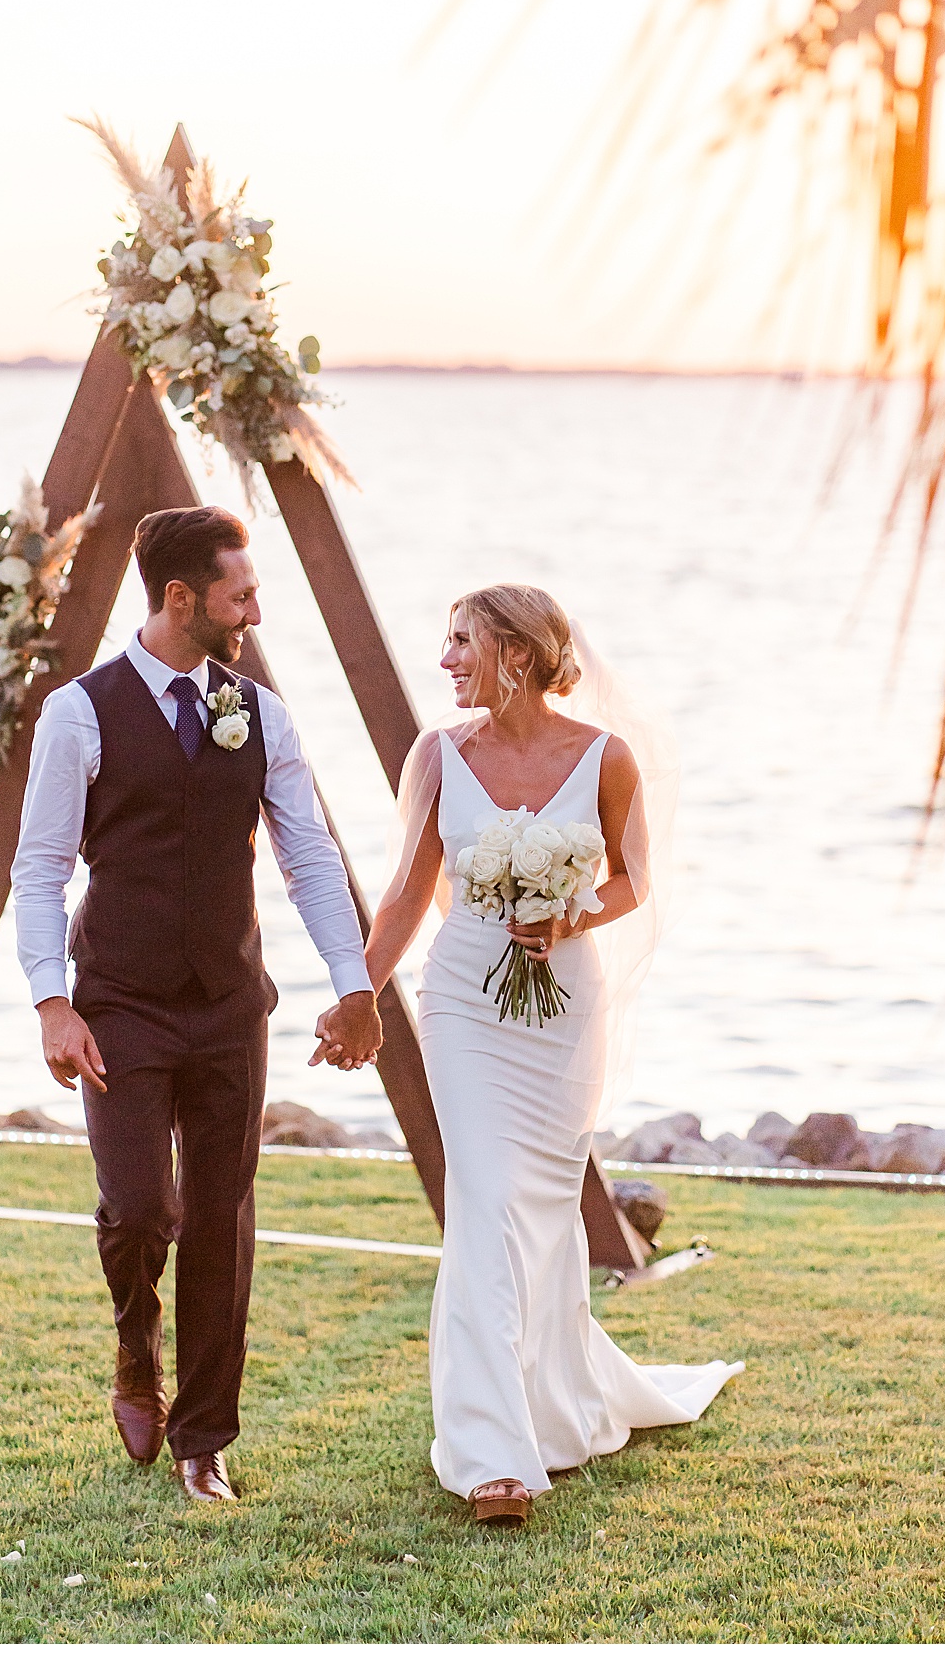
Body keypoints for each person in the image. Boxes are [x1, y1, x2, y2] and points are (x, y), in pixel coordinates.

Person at [11, 504, 382, 1503]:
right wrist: (52, 1001)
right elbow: (40, 866)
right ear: (182, 598)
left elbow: (306, 852)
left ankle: (202, 1436)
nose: (254, 608)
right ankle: (137, 1350)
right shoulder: (78, 713)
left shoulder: (259, 710)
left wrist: (354, 983)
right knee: (142, 1209)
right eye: (239, 593)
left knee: (218, 1218)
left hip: (227, 1005)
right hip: (118, 1002)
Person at [354, 584, 743, 1528]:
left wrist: (573, 911)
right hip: (462, 1000)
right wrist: (357, 990)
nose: (445, 659)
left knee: (538, 1216)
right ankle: (491, 1455)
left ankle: (554, 1407)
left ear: (516, 654)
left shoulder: (604, 760)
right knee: (482, 1201)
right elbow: (409, 890)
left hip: (563, 1008)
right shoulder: (439, 756)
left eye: (460, 642)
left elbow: (634, 881)